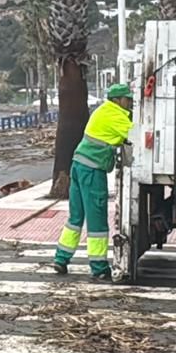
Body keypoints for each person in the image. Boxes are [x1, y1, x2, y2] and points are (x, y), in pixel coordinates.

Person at [54, 82, 134, 280]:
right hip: (92, 170)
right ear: (117, 100)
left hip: (78, 165)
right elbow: (135, 134)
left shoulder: (102, 111)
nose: (130, 102)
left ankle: (61, 258)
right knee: (96, 218)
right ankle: (99, 267)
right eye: (127, 99)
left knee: (75, 217)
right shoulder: (115, 115)